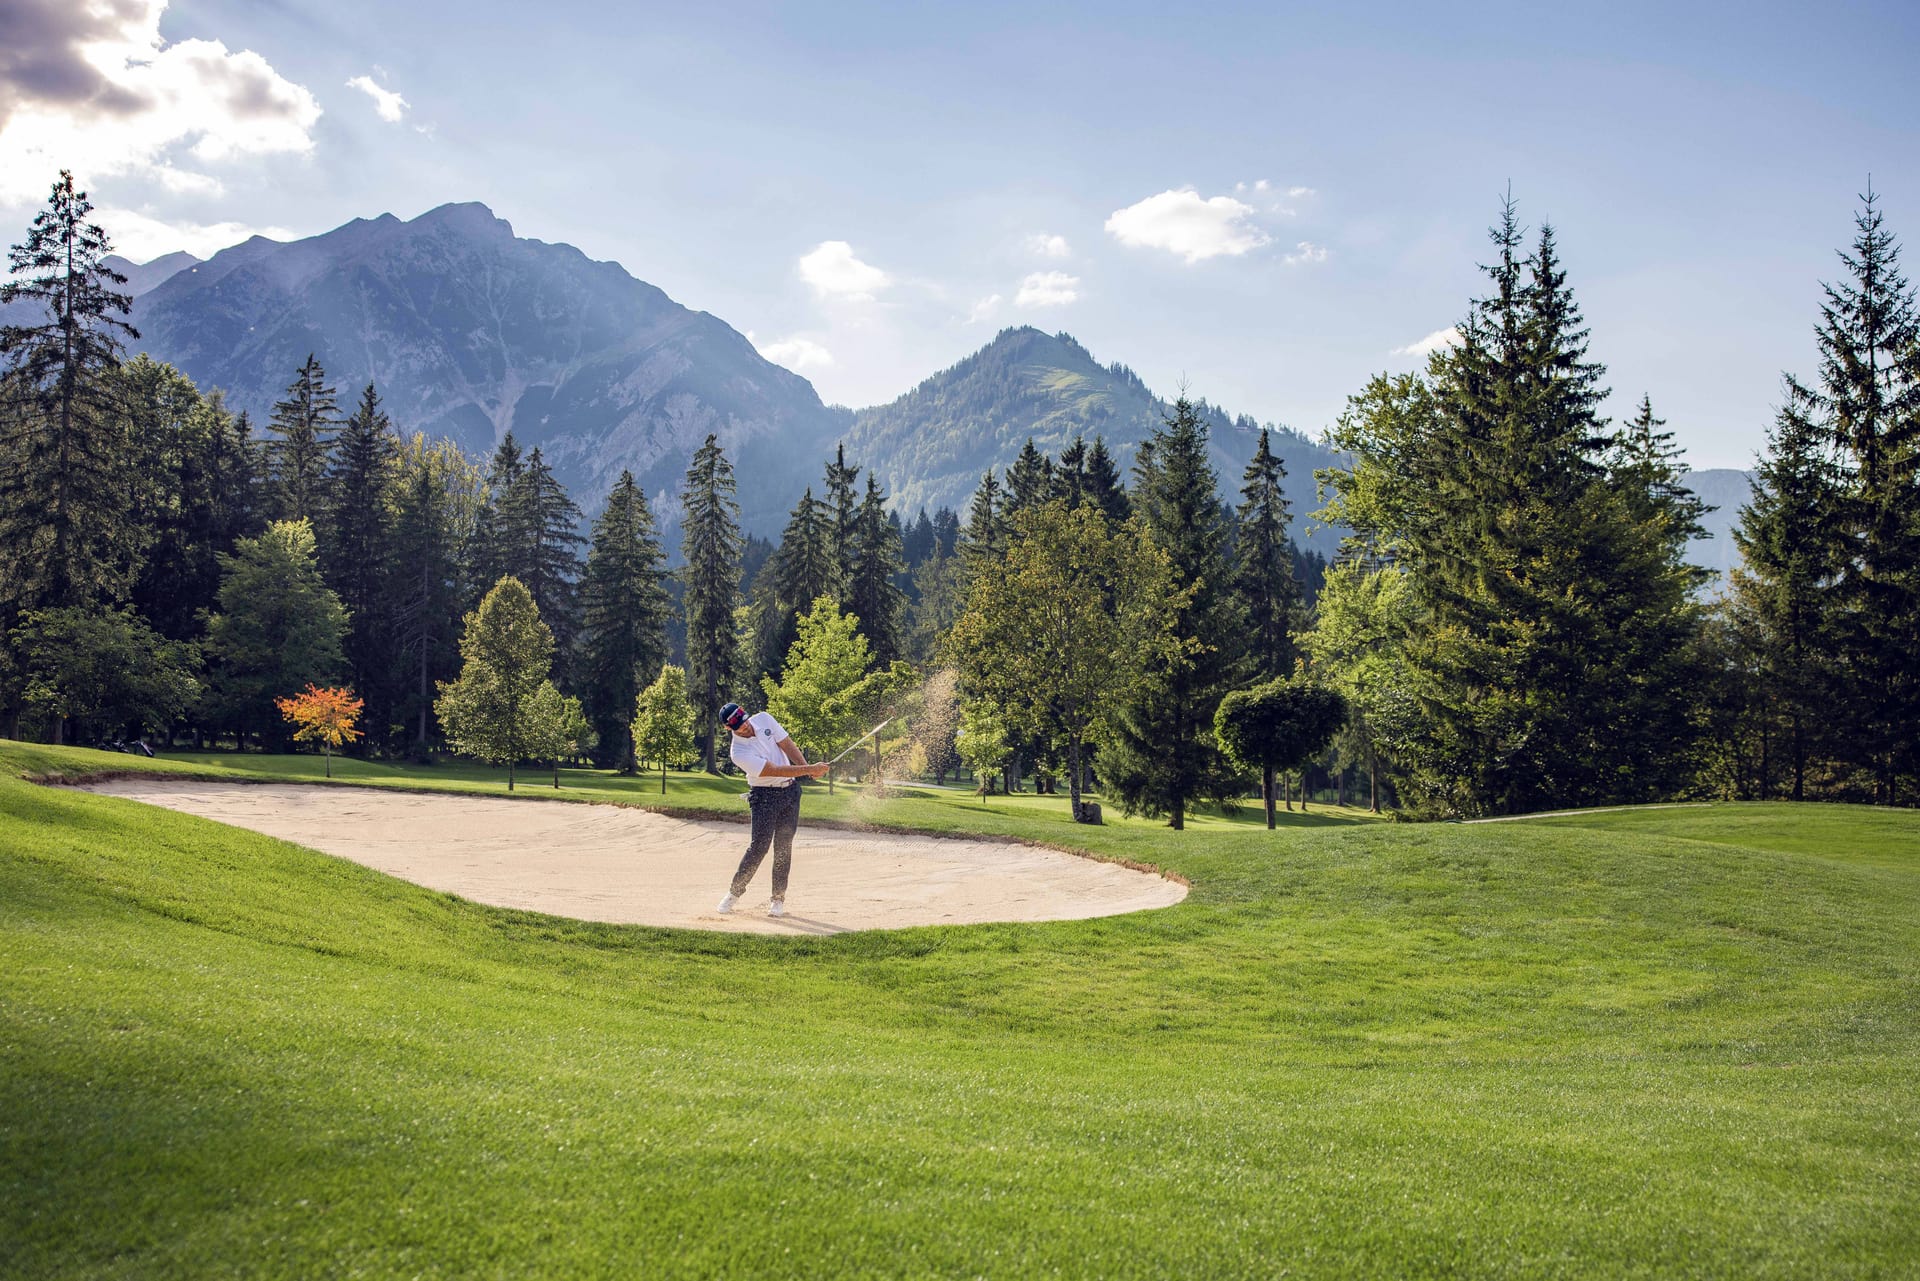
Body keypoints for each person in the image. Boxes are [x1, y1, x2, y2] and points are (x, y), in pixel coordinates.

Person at [715, 700, 827, 917]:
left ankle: (778, 899)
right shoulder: (737, 752)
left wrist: (808, 769)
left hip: (790, 793)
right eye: (739, 726)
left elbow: (787, 744)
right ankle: (733, 894)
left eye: (745, 722)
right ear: (728, 728)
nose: (746, 727)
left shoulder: (764, 719)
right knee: (759, 847)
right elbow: (773, 770)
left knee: (784, 847)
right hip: (764, 797)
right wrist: (808, 769)